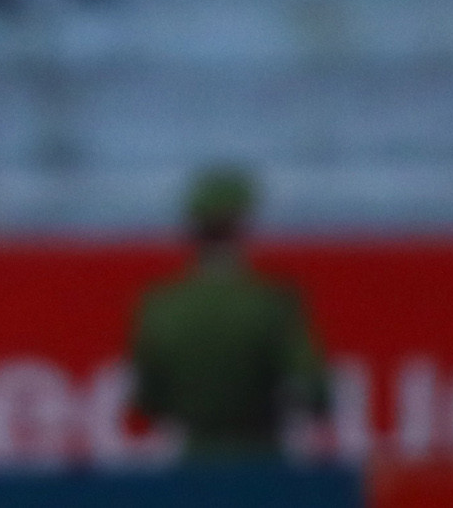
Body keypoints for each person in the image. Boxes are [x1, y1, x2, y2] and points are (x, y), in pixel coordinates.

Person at [130, 167, 330, 458]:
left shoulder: (162, 307)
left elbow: (147, 401)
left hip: (193, 466)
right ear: (242, 225)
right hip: (264, 463)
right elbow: (314, 391)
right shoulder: (270, 304)